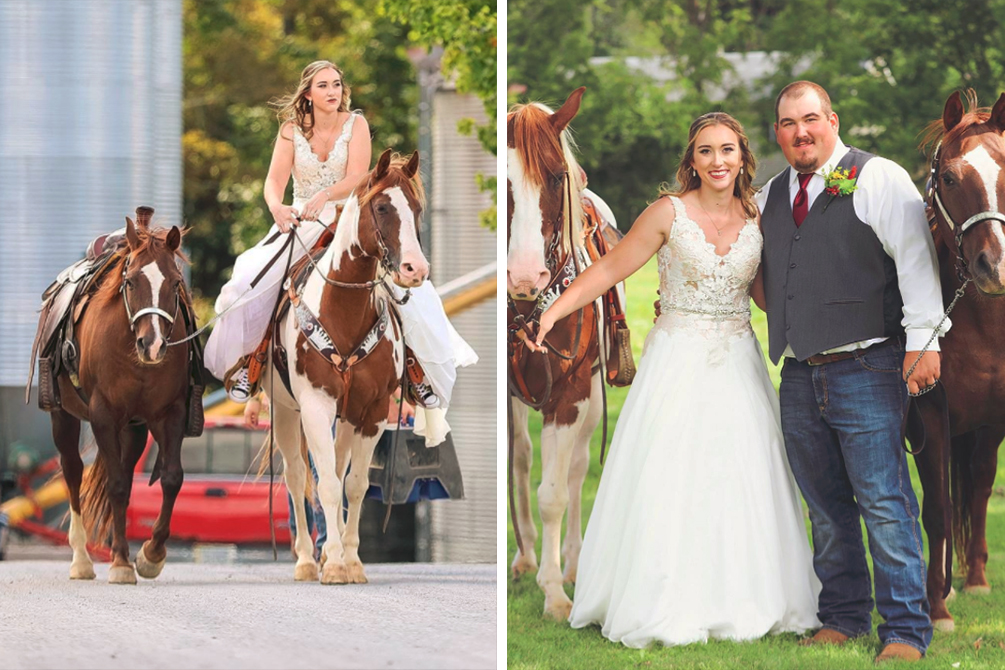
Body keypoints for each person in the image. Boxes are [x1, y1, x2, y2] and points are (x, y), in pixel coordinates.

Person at [533, 112, 820, 647]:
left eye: (727, 150)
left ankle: (746, 597)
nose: (717, 161)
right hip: (677, 360)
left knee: (743, 475)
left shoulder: (758, 216)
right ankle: (660, 598)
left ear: (743, 157)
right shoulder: (668, 212)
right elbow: (610, 268)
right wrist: (552, 312)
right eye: (706, 151)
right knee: (671, 474)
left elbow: (766, 297)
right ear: (692, 160)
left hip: (738, 360)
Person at [754, 81, 946, 663]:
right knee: (825, 505)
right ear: (778, 133)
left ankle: (905, 629)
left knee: (884, 501)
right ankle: (842, 616)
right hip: (798, 372)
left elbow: (916, 262)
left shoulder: (879, 177)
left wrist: (924, 343)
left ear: (832, 121)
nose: (801, 132)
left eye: (810, 118)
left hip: (868, 365)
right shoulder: (769, 194)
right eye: (789, 123)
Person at [205, 60, 476, 433]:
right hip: (301, 220)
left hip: (348, 219)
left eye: (336, 84)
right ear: (308, 93)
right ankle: (250, 369)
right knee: (248, 280)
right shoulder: (289, 131)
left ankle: (416, 372)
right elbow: (273, 181)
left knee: (409, 289)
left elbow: (359, 177)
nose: (332, 91)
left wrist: (326, 196)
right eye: (323, 85)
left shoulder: (356, 124)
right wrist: (277, 207)